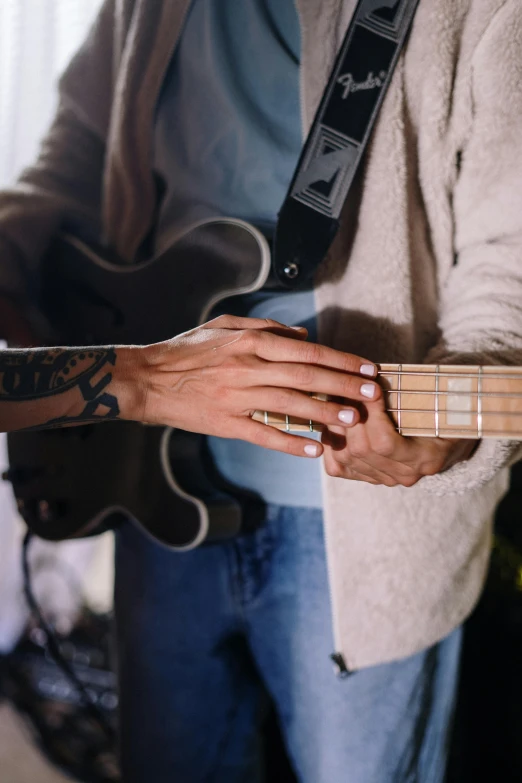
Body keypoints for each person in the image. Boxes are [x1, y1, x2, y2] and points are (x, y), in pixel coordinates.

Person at [0, 1, 521, 781]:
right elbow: (76, 156)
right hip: (146, 485)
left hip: (361, 532)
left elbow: (507, 274)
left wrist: (447, 437)